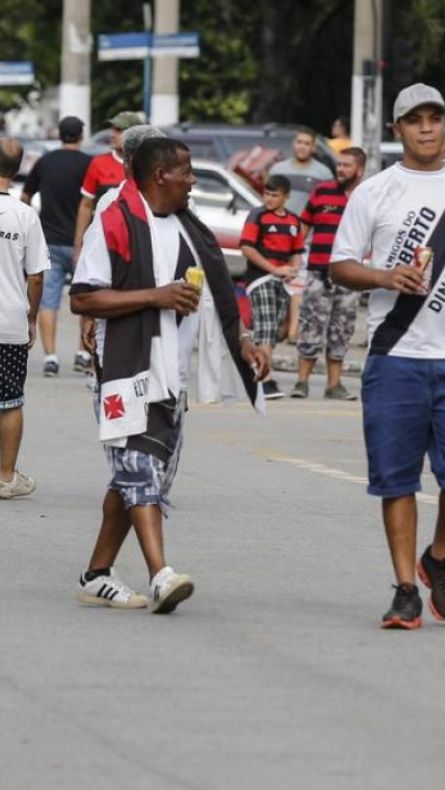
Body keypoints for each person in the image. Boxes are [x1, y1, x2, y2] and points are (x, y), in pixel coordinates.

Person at [328, 84, 445, 629]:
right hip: (395, 354)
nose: (426, 128)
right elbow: (340, 264)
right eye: (415, 120)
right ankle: (406, 588)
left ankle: (439, 555)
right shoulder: (375, 193)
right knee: (397, 477)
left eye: (435, 118)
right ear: (398, 129)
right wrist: (386, 276)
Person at [69, 138, 270, 612]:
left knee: (135, 477)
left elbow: (218, 295)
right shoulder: (115, 221)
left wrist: (241, 341)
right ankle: (161, 575)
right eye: (186, 171)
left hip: (170, 373)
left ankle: (97, 574)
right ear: (160, 175)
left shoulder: (187, 227)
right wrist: (154, 296)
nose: (193, 180)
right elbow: (83, 297)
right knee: (140, 471)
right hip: (123, 369)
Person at [290, 146, 366, 400]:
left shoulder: (368, 196)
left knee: (342, 329)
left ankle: (334, 385)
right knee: (311, 326)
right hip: (318, 273)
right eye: (339, 164)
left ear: (360, 169)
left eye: (346, 165)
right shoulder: (321, 192)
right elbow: (303, 224)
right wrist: (296, 253)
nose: (340, 169)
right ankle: (301, 382)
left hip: (351, 276)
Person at [20, 116, 91, 377]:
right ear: (81, 135)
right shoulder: (89, 164)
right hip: (82, 243)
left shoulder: (44, 162)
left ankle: (50, 357)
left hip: (48, 240)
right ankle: (83, 353)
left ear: (59, 135)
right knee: (85, 297)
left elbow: (25, 196)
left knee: (48, 300)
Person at [0, 138, 49, 499]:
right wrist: (31, 316)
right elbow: (36, 276)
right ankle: (5, 477)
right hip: (9, 321)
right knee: (9, 400)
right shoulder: (25, 216)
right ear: (16, 171)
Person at [239, 174, 305, 400]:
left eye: (274, 195)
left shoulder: (294, 221)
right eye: (266, 194)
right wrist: (272, 269)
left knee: (276, 330)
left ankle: (257, 367)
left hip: (283, 281)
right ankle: (264, 378)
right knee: (265, 326)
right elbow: (247, 248)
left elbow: (296, 252)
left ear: (286, 197)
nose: (269, 199)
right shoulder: (257, 216)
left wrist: (293, 270)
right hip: (260, 279)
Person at [73, 111, 142, 312]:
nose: (112, 134)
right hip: (104, 241)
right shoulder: (98, 163)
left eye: (119, 130)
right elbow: (86, 205)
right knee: (90, 297)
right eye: (112, 128)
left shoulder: (145, 165)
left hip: (135, 244)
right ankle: (85, 343)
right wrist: (79, 245)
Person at [268, 127, 333, 216]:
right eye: (299, 142)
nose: (302, 147)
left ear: (313, 148)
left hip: (308, 228)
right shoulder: (277, 170)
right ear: (293, 144)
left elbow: (328, 205)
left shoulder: (324, 174)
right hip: (279, 226)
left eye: (307, 144)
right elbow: (269, 201)